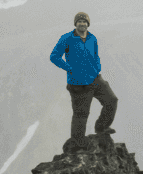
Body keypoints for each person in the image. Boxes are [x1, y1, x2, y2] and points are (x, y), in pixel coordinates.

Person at [49, 12, 118, 147]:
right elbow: (54, 56)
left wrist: (97, 67)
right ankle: (78, 141)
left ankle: (102, 127)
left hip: (95, 79)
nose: (82, 24)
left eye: (84, 21)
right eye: (79, 21)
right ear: (75, 24)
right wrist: (69, 68)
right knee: (81, 114)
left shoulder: (92, 38)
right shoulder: (67, 38)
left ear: (88, 24)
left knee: (111, 100)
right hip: (78, 83)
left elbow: (96, 55)